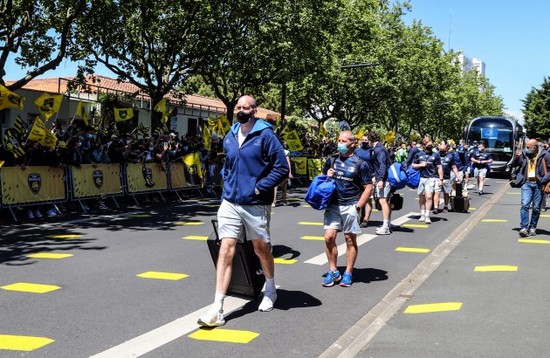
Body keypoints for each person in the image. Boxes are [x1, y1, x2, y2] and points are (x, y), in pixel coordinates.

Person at [198, 95, 289, 327]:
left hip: (255, 203)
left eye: (245, 107)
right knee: (226, 248)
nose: (240, 110)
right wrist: (226, 183)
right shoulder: (230, 134)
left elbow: (281, 168)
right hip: (230, 201)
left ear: (254, 110)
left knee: (261, 248)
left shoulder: (266, 135)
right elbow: (229, 164)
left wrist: (259, 188)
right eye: (238, 107)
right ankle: (217, 307)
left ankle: (270, 287)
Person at [322, 130, 372, 287]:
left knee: (350, 240)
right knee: (329, 237)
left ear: (352, 143)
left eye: (343, 141)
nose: (340, 144)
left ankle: (348, 273)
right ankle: (333, 271)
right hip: (333, 205)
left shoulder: (360, 163)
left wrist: (358, 207)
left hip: (350, 205)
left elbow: (368, 187)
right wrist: (327, 175)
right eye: (339, 140)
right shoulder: (331, 160)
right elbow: (321, 180)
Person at [509, 139, 549, 237]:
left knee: (536, 208)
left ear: (534, 147)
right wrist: (516, 157)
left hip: (539, 184)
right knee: (525, 205)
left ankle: (532, 227)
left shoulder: (545, 155)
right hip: (526, 183)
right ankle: (523, 227)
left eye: (528, 147)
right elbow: (514, 165)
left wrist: (544, 180)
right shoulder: (524, 154)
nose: (526, 149)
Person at [411, 137, 444, 224]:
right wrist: (420, 165)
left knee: (429, 197)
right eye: (429, 145)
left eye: (431, 145)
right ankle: (422, 213)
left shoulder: (435, 155)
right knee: (421, 196)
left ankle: (427, 215)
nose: (430, 146)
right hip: (422, 178)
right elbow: (413, 165)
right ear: (424, 145)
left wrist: (441, 179)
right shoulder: (419, 154)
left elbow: (439, 167)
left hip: (431, 178)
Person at [368, 131, 393, 235]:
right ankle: (388, 224)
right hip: (382, 178)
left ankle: (386, 226)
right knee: (385, 201)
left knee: (383, 201)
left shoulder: (379, 149)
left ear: (370, 140)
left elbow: (382, 165)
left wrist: (381, 179)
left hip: (384, 179)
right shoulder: (379, 148)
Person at [354, 134, 374, 228]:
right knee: (358, 198)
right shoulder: (357, 151)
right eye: (363, 139)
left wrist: (374, 177)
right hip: (357, 177)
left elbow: (376, 164)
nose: (364, 141)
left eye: (366, 140)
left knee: (368, 199)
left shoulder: (372, 151)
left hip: (369, 177)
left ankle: (366, 219)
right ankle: (357, 217)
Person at [273, 142, 293, 206]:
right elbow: (288, 162)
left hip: (276, 170)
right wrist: (289, 172)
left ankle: (274, 201)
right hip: (283, 170)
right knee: (283, 187)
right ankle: (284, 201)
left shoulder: (274, 151)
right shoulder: (286, 152)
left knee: (275, 187)